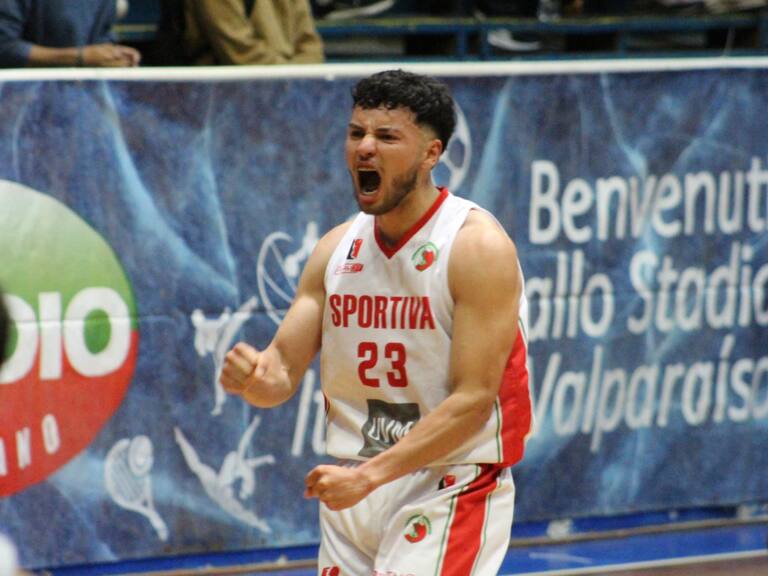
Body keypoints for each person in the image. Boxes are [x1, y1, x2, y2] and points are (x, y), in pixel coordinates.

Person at [221, 69, 532, 575]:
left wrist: (369, 478)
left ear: (431, 154)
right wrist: (252, 378)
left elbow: (474, 400)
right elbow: (280, 373)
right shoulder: (335, 249)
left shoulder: (475, 246)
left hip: (449, 481)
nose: (365, 147)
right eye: (356, 133)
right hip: (353, 483)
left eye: (387, 137)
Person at [0, 0, 141, 68]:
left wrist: (115, 55)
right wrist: (80, 57)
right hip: (23, 100)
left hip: (80, 100)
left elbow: (102, 38)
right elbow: (5, 47)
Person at [179, 0, 324, 65]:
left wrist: (303, 75)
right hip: (226, 98)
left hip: (287, 91)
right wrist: (294, 76)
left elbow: (310, 43)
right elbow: (241, 53)